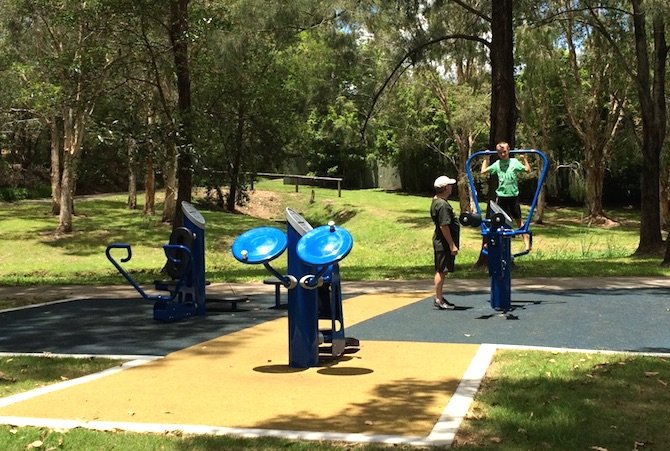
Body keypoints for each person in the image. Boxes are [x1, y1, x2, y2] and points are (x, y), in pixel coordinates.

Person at [481, 141, 532, 250]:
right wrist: (486, 159)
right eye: (500, 153)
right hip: (502, 196)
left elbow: (527, 170)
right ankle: (490, 242)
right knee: (497, 221)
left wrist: (524, 158)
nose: (503, 154)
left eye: (504, 152)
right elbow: (483, 171)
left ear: (508, 150)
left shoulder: (514, 162)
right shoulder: (497, 164)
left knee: (518, 220)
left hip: (513, 196)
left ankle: (527, 242)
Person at [430, 175, 459, 310]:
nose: (451, 188)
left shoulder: (437, 201)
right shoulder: (442, 205)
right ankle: (438, 299)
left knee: (442, 270)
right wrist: (452, 244)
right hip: (443, 244)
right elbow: (444, 226)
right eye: (450, 185)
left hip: (442, 243)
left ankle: (440, 296)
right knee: (441, 271)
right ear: (446, 188)